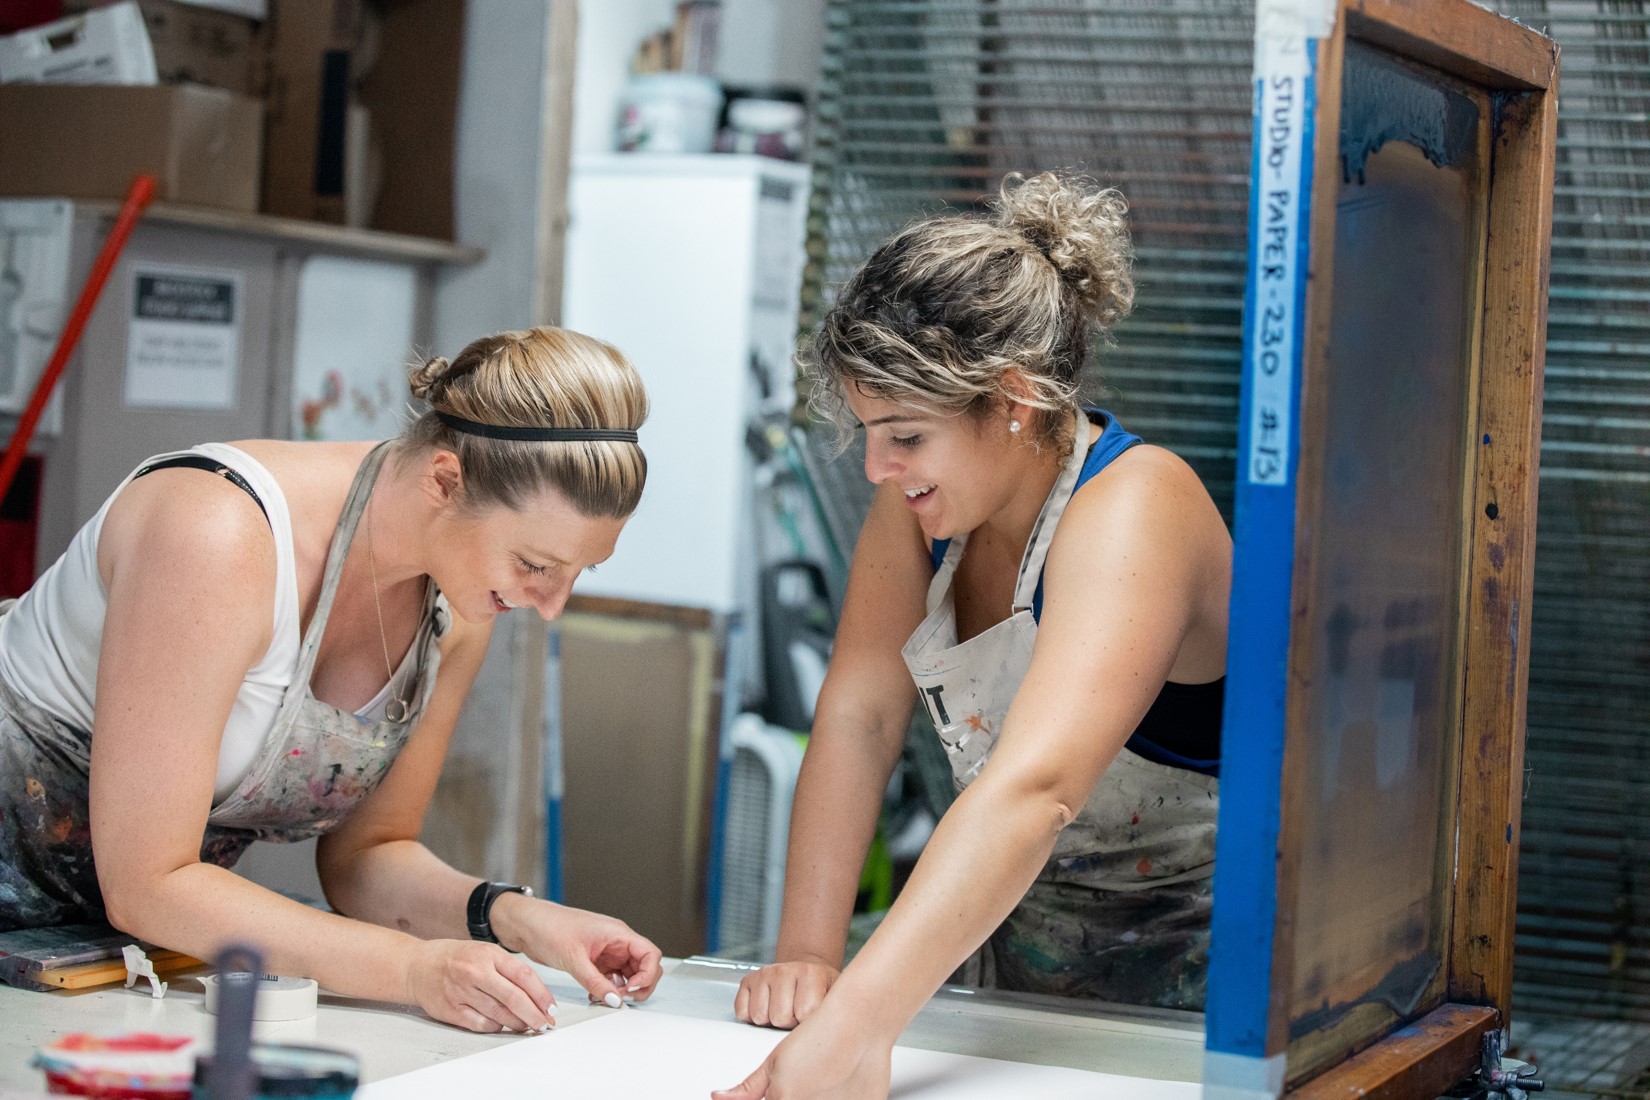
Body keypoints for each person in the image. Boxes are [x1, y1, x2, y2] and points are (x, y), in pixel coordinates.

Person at [715, 173, 1231, 1098]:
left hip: (1194, 996)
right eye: (869, 433)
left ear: (1013, 398)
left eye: (906, 435)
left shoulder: (1137, 507)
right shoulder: (923, 508)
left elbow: (1036, 789)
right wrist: (809, 960)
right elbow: (861, 716)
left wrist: (858, 1027)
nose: (878, 467)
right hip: (1004, 968)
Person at [0, 326, 663, 1033]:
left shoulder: (458, 607)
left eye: (579, 572)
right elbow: (148, 884)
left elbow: (367, 859)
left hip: (74, 962)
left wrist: (519, 918)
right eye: (535, 564)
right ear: (445, 480)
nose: (551, 606)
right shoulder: (218, 532)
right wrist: (413, 969)